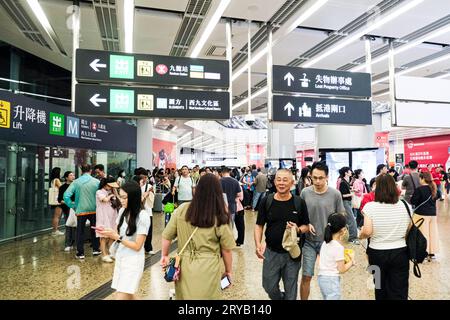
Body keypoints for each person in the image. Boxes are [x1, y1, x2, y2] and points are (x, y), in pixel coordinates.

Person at [160, 174, 235, 299]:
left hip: (183, 265)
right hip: (209, 266)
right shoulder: (220, 214)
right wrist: (228, 271)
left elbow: (166, 236)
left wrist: (164, 255)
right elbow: (226, 249)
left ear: (197, 190)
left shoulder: (182, 209)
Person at [254, 168, 310, 300]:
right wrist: (258, 244)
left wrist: (298, 229)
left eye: (285, 180)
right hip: (271, 252)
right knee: (268, 286)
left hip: (292, 253)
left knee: (291, 289)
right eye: (278, 180)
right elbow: (259, 225)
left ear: (292, 183)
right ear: (274, 182)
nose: (281, 183)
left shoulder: (299, 202)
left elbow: (306, 226)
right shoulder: (267, 201)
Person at [359, 174, 411, 300]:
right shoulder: (405, 205)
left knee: (379, 287)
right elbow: (409, 229)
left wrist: (360, 235)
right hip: (400, 252)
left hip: (376, 254)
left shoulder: (370, 207)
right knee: (399, 289)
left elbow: (367, 231)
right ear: (394, 187)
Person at [300, 161, 345, 300]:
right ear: (310, 177)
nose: (317, 181)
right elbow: (300, 215)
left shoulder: (335, 194)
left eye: (321, 178)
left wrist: (338, 235)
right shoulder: (305, 193)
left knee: (330, 275)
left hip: (328, 242)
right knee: (306, 275)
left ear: (327, 177)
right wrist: (306, 224)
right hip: (309, 241)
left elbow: (341, 216)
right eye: (314, 178)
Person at [99, 181, 150, 300]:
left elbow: (137, 246)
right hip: (121, 257)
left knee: (121, 295)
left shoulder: (143, 216)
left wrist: (117, 237)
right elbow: (117, 233)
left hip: (133, 261)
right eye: (120, 197)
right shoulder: (122, 211)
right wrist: (107, 232)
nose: (121, 200)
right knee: (129, 294)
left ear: (133, 197)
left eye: (124, 197)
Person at [64, 164, 101, 259]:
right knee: (94, 230)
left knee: (80, 231)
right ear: (91, 170)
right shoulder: (96, 181)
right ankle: (96, 249)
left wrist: (73, 206)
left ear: (81, 171)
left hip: (81, 210)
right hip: (94, 209)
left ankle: (80, 253)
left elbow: (66, 196)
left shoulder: (76, 182)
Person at [318, 213, 356, 300]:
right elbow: (341, 269)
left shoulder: (325, 243)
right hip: (332, 280)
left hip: (322, 278)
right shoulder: (338, 247)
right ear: (343, 230)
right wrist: (351, 262)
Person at [410, 171, 438, 261]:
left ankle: (424, 253)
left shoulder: (419, 189)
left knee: (423, 234)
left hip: (422, 214)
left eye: (420, 178)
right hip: (433, 214)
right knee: (433, 234)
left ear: (422, 179)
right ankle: (432, 253)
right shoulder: (434, 188)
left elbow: (413, 201)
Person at [96, 176, 120, 263]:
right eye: (110, 186)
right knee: (103, 236)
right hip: (103, 217)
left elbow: (119, 200)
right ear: (105, 185)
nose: (111, 188)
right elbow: (104, 199)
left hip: (112, 216)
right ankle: (104, 254)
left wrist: (114, 192)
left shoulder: (111, 191)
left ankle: (111, 253)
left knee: (111, 236)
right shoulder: (99, 192)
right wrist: (110, 195)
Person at [338, 167, 359, 244]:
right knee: (352, 220)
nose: (351, 172)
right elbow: (342, 195)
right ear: (346, 173)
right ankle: (352, 238)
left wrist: (352, 190)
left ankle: (351, 236)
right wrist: (351, 194)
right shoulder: (343, 182)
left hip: (347, 202)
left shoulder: (345, 181)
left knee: (349, 220)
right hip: (345, 202)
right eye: (350, 171)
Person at [58, 171, 76, 251]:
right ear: (66, 177)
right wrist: (69, 203)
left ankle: (73, 243)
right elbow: (60, 199)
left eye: (73, 175)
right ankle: (68, 244)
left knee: (75, 226)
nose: (73, 176)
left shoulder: (76, 186)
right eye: (71, 175)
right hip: (67, 208)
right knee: (68, 226)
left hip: (76, 208)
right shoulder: (62, 187)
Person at [140, 174, 155, 255]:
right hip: (138, 212)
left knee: (149, 230)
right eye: (142, 177)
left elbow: (152, 199)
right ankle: (139, 246)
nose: (144, 179)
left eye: (145, 177)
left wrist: (150, 192)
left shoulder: (149, 186)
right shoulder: (136, 186)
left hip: (148, 211)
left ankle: (148, 247)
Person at [50, 167, 64, 236]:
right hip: (57, 200)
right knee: (57, 216)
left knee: (55, 216)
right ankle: (55, 230)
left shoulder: (52, 180)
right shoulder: (57, 180)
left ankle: (54, 230)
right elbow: (62, 188)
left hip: (54, 200)